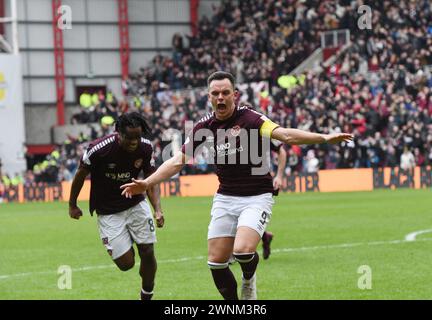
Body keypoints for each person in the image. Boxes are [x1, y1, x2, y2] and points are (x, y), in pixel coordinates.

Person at [120, 71, 353, 300]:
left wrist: (323, 137)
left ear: (235, 95)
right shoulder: (204, 127)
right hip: (225, 197)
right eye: (215, 93)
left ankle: (249, 279)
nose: (220, 97)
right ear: (208, 97)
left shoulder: (251, 118)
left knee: (242, 251)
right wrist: (147, 182)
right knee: (216, 263)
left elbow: (285, 136)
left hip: (257, 196)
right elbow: (178, 161)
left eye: (225, 92)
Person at [68, 112, 164, 300]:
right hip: (108, 211)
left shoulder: (145, 148)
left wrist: (158, 209)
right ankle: (124, 240)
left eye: (137, 137)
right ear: (118, 133)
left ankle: (147, 294)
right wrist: (72, 204)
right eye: (129, 138)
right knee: (126, 264)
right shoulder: (98, 150)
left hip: (136, 204)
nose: (134, 142)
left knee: (148, 250)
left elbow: (151, 181)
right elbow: (80, 175)